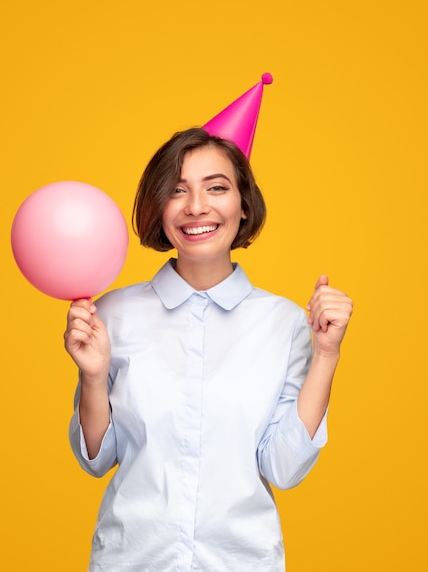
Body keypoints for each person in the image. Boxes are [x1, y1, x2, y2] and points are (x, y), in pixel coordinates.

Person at [64, 79, 353, 572]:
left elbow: (282, 468)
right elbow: (96, 459)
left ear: (244, 206)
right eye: (177, 191)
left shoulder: (284, 323)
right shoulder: (112, 314)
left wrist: (327, 355)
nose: (196, 206)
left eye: (216, 188)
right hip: (133, 560)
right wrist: (93, 376)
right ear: (160, 209)